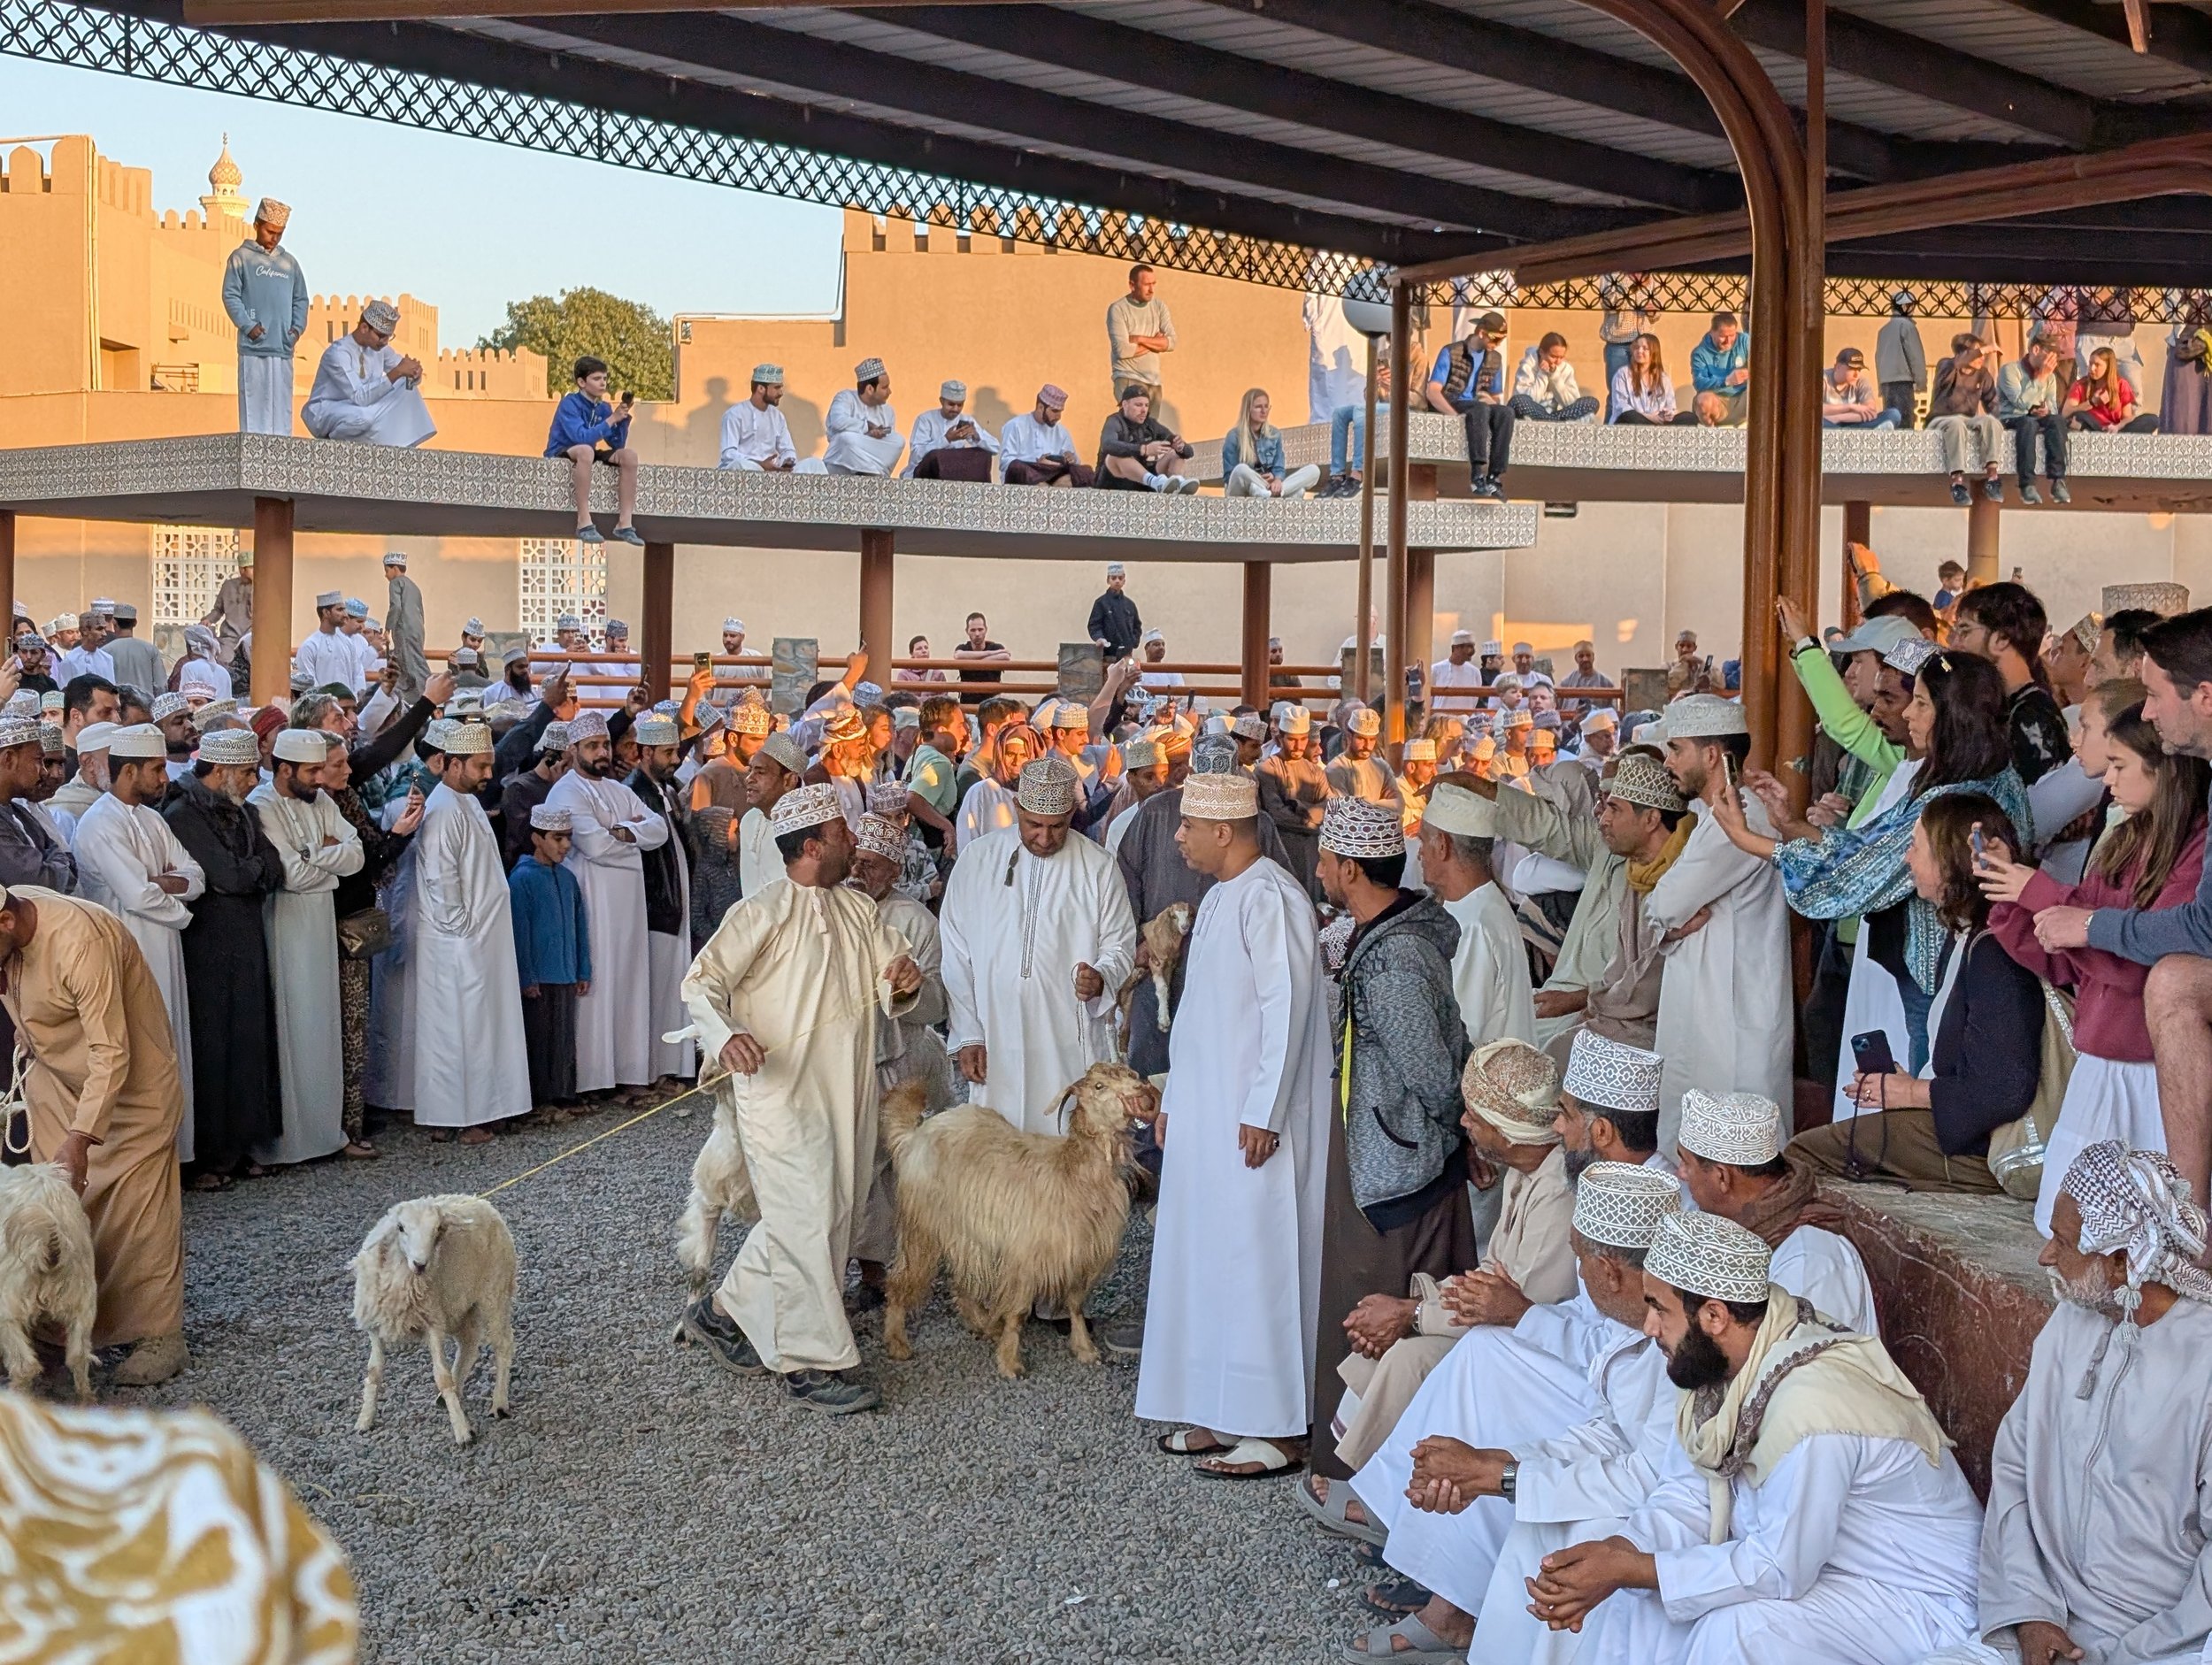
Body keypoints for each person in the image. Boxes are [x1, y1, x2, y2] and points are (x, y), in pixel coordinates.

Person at [1526, 1210, 1981, 1664]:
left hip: (1919, 1598)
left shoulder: (1812, 1405)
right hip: (1835, 1573)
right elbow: (1689, 1497)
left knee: (1738, 1632)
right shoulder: (1724, 1371)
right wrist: (1617, 1555)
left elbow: (1782, 1567)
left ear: (1715, 1315)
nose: (1648, 1327)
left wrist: (1637, 1568)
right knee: (1640, 1602)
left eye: (1658, 1309)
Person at [1337, 1154, 1685, 1663]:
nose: (1579, 1278)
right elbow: (1611, 1430)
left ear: (1609, 1272)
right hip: (1653, 1486)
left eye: (1581, 1263)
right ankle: (1452, 1591)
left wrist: (1502, 1476)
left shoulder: (1678, 1345)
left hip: (1705, 1536)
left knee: (1557, 1531)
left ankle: (1462, 1609)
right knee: (1526, 1504)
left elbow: (1651, 1478)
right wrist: (1495, 1464)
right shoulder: (1645, 1318)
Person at [678, 784, 922, 1415]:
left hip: (849, 1092)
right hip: (779, 1096)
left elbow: (892, 967)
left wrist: (903, 977)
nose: (854, 841)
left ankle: (722, 1311)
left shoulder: (859, 909)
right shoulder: (760, 912)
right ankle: (811, 1361)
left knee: (830, 1211)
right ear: (813, 847)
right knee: (809, 1216)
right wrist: (726, 1034)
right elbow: (701, 983)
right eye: (843, 834)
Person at [1933, 1141, 2212, 1665]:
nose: (2045, 1256)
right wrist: (2032, 1614)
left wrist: (2130, 1655)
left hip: (2162, 1643)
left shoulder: (2205, 1363)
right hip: (2044, 1618)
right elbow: (2015, 1467)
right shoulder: (2069, 1321)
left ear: (2122, 1262)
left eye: (2063, 1242)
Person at [1137, 771, 1332, 1477]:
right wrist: (1175, 1099)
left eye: (1188, 826)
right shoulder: (1222, 896)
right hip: (1209, 1118)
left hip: (1255, 1127)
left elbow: (1290, 1008)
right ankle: (1225, 1410)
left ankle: (1279, 1429)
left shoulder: (1274, 898)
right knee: (1210, 1263)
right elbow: (1199, 1018)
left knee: (1259, 1264)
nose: (1179, 837)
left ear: (1224, 831)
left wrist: (1264, 1111)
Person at [1981, 702, 2206, 1227]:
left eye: (2121, 765)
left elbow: (2143, 969)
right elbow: (2065, 964)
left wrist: (2043, 895)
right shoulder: (2125, 840)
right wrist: (2010, 894)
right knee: (2071, 1237)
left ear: (2164, 767)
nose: (2108, 777)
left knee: (2146, 1243)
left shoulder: (2195, 854)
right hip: (2097, 1071)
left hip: (2156, 1080)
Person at [1308, 794, 1474, 1484]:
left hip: (1400, 1167)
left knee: (1378, 1308)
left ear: (1349, 868)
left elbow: (1434, 1074)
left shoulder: (1394, 961)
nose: (1316, 869)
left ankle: (1372, 1479)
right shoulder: (1384, 940)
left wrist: (1453, 1141)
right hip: (1390, 1150)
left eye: (1323, 857)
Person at [1326, 1040, 1580, 1479]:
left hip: (1535, 1348)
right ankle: (1366, 1475)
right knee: (1390, 1334)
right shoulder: (1530, 1171)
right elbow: (1491, 1276)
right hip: (1499, 1327)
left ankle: (1371, 1486)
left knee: (1411, 1355)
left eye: (1475, 1117)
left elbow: (1520, 1308)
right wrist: (1405, 1314)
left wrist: (1413, 1316)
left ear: (1506, 1131)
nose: (1464, 1123)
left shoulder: (1558, 1192)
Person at [1791, 794, 2039, 1196]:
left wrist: (1909, 1093)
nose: (1907, 859)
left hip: (1983, 1148)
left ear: (1949, 860)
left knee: (1803, 1155)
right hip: (1961, 1130)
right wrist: (1905, 1086)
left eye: (1916, 847)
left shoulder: (1994, 952)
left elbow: (2003, 1089)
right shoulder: (1966, 936)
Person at [0, 885, 190, 1384]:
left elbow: (112, 1051)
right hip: (57, 1086)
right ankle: (60, 1325)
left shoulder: (79, 939)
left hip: (132, 1091)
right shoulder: (12, 924)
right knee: (57, 1214)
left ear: (6, 922)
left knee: (139, 1218)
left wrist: (81, 1137)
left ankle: (159, 1336)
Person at [941, 756, 1136, 1136]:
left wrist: (1101, 977)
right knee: (998, 1150)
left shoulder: (1098, 866)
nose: (1044, 838)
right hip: (995, 1035)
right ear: (1018, 809)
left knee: (1066, 1149)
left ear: (1071, 816)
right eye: (1034, 825)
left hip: (1066, 1037)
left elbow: (1121, 945)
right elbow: (956, 951)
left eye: (1056, 826)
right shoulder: (978, 860)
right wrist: (968, 1033)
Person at [1644, 696, 1792, 1147]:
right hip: (1706, 1004)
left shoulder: (1743, 818)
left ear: (1710, 755)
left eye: (1676, 749)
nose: (1668, 762)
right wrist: (1666, 921)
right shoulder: (1712, 818)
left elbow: (1667, 901)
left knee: (1737, 1151)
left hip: (1735, 1009)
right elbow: (1663, 911)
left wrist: (1666, 919)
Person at [69, 724, 204, 1162]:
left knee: (171, 1047)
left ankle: (177, 1157)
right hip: (127, 951)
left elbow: (196, 876)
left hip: (165, 946)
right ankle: (145, 1164)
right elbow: (136, 895)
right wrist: (180, 909)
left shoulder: (153, 819)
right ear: (128, 771)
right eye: (157, 769)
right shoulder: (99, 824)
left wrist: (165, 884)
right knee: (143, 1055)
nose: (165, 779)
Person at [161, 727, 284, 1186]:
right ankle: (212, 1153)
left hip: (246, 940)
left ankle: (242, 1144)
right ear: (221, 771)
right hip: (208, 945)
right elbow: (229, 877)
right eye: (248, 772)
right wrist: (250, 872)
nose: (255, 780)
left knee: (250, 1040)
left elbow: (274, 868)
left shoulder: (245, 812)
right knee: (215, 1045)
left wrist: (248, 873)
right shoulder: (182, 815)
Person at [410, 721, 532, 1143]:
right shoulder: (443, 809)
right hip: (460, 943)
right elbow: (442, 883)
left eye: (489, 766)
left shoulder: (465, 802)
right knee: (460, 1031)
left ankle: (477, 1112)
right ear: (452, 763)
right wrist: (465, 933)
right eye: (480, 767)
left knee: (477, 1028)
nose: (487, 775)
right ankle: (464, 1118)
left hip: (480, 939)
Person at [250, 729, 361, 1167]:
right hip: (284, 926)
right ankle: (289, 1143)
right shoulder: (262, 806)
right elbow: (290, 875)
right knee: (290, 1025)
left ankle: (324, 1135)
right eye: (311, 770)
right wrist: (326, 859)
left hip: (319, 925)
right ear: (284, 768)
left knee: (321, 1024)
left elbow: (356, 857)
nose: (320, 778)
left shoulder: (324, 802)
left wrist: (314, 857)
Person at [544, 710, 668, 1099]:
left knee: (630, 980)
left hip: (629, 904)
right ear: (574, 749)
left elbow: (659, 830)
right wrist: (634, 841)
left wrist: (624, 833)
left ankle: (629, 1073)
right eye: (592, 746)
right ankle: (594, 1079)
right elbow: (594, 845)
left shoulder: (620, 789)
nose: (601, 752)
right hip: (593, 902)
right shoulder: (566, 792)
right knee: (598, 983)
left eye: (605, 745)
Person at [1421, 780, 1536, 1047]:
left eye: (1423, 842)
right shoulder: (1477, 905)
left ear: (1442, 846)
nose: (1420, 854)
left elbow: (1461, 1032)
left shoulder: (1475, 923)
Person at [626, 713, 696, 1086]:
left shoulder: (665, 790)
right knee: (658, 994)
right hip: (657, 907)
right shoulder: (634, 792)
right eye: (668, 753)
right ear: (645, 751)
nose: (675, 759)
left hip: (674, 907)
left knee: (674, 991)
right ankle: (654, 1072)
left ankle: (671, 1069)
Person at [1951, 582, 2070, 785]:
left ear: (2002, 639)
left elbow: (2037, 806)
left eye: (1965, 632)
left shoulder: (2031, 716)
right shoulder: (2002, 705)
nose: (1955, 644)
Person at [300, 298, 435, 449]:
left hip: (361, 407)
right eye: (381, 336)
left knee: (406, 386)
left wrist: (414, 373)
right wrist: (397, 372)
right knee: (364, 418)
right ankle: (332, 444)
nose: (385, 342)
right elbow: (360, 397)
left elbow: (402, 368)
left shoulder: (380, 349)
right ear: (364, 328)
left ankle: (401, 445)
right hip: (327, 410)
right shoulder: (338, 353)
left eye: (389, 337)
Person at [221, 197, 305, 436]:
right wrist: (248, 326)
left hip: (282, 348)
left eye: (280, 233)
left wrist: (296, 330)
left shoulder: (289, 264)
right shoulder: (241, 258)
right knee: (255, 411)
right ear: (257, 225)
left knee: (281, 412)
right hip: (254, 348)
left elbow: (300, 299)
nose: (275, 238)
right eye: (270, 231)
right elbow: (230, 295)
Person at [544, 355, 643, 546]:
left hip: (587, 450)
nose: (603, 383)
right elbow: (580, 437)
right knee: (585, 451)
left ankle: (625, 524)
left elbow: (617, 444)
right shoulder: (569, 403)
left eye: (605, 379)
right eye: (597, 379)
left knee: (629, 456)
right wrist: (611, 420)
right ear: (581, 382)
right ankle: (584, 522)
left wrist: (622, 419)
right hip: (563, 451)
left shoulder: (604, 407)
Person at [1424, 310, 1514, 498]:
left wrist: (1487, 399)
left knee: (1506, 413)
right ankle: (1477, 472)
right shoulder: (1452, 352)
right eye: (1495, 340)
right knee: (1479, 410)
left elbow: (1495, 397)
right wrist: (1454, 416)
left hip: (1477, 404)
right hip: (1452, 401)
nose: (1497, 345)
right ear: (1481, 333)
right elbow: (1433, 391)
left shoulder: (1495, 359)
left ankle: (1495, 475)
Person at [1930, 333, 2007, 504]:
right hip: (1941, 419)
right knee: (1956, 424)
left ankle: (1993, 478)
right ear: (1962, 353)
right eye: (1976, 353)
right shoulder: (1947, 366)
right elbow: (1958, 362)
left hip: (1968, 419)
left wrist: (2006, 422)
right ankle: (1957, 483)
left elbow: (1993, 404)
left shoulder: (1983, 374)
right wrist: (1986, 349)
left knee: (1990, 422)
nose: (1981, 357)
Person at [1997, 334, 2071, 503]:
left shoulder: (2051, 377)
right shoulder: (2010, 370)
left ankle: (2058, 480)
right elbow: (2020, 403)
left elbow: (2052, 404)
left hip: (2037, 417)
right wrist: (2041, 378)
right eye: (2051, 354)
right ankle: (2027, 484)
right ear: (2036, 350)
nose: (2054, 361)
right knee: (2028, 423)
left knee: (2057, 421)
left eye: (2056, 356)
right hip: (2013, 417)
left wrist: (2046, 410)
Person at [1096, 385, 1197, 494]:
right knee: (1114, 456)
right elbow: (1107, 444)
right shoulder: (1114, 421)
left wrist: (1181, 447)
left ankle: (1178, 485)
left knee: (1175, 454)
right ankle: (1156, 483)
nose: (1144, 410)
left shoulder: (1151, 424)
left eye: (1146, 405)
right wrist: (1143, 449)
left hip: (1141, 481)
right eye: (1139, 405)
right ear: (1125, 405)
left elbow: (1189, 452)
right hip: (1113, 481)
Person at [1222, 387, 1322, 498]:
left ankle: (1275, 493)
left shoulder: (1275, 434)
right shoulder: (1234, 436)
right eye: (1258, 407)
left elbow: (1279, 467)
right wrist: (1256, 478)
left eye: (1266, 406)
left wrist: (1277, 479)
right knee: (1241, 469)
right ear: (1248, 409)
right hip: (1241, 490)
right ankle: (1264, 492)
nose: (1264, 411)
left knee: (1314, 470)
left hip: (1267, 487)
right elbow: (1230, 476)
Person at [1106, 261, 1175, 405]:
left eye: (1153, 284)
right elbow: (1122, 351)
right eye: (1146, 285)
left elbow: (1171, 342)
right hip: (1128, 378)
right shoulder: (1118, 309)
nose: (1151, 290)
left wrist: (1139, 339)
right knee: (1134, 427)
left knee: (1150, 428)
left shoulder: (1159, 307)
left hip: (1153, 382)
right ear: (1132, 285)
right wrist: (1156, 342)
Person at [902, 378, 998, 481]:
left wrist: (977, 437)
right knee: (936, 457)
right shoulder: (925, 419)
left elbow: (995, 448)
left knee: (983, 455)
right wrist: (946, 439)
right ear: (942, 401)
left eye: (960, 405)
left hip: (955, 474)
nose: (956, 409)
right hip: (925, 476)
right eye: (951, 404)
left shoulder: (967, 420)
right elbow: (916, 455)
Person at [1320, 357, 1390, 497]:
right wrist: (1374, 384)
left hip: (1404, 407)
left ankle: (1357, 472)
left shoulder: (1414, 358)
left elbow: (1415, 397)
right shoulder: (1385, 356)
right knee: (1339, 413)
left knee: (1360, 409)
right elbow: (1369, 399)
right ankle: (1337, 475)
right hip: (1382, 406)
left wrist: (1393, 385)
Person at [821, 357, 905, 475]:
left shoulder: (888, 411)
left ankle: (870, 472)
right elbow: (838, 422)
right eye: (884, 387)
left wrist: (872, 437)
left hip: (873, 460)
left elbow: (886, 450)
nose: (889, 392)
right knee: (846, 439)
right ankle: (872, 473)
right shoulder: (845, 398)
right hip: (841, 465)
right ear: (870, 389)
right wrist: (867, 427)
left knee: (898, 440)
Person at [998, 384, 1094, 487]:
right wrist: (1038, 463)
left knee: (1086, 471)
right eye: (1054, 411)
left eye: (1060, 412)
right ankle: (1046, 487)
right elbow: (1006, 463)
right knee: (1017, 467)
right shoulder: (1015, 425)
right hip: (1028, 474)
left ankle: (1050, 488)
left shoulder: (1062, 432)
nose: (1058, 417)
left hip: (1053, 475)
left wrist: (1071, 458)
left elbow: (1075, 463)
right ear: (1040, 407)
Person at [718, 364, 802, 472]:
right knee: (740, 464)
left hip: (772, 471)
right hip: (742, 471)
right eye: (777, 388)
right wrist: (759, 464)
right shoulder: (735, 414)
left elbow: (788, 450)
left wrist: (787, 462)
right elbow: (728, 454)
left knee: (814, 464)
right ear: (761, 388)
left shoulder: (778, 417)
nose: (781, 393)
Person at [2063, 344, 2157, 434]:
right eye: (2090, 363)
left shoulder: (2121, 384)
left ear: (2108, 368)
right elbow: (2065, 413)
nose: (2092, 368)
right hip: (2092, 426)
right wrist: (2092, 403)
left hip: (2116, 429)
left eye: (2097, 365)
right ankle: (2093, 431)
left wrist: (2117, 427)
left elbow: (2127, 417)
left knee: (2153, 419)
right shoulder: (2080, 385)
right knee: (2080, 415)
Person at [1510, 333, 1601, 423]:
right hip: (1534, 413)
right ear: (1542, 352)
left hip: (1558, 415)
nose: (1558, 361)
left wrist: (1555, 376)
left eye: (1561, 357)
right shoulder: (1528, 366)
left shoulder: (1566, 369)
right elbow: (1528, 399)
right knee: (1518, 401)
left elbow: (1570, 403)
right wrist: (1542, 374)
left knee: (1592, 402)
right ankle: (1549, 420)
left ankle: (1552, 420)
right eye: (1553, 356)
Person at [1609, 333, 1690, 426]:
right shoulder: (1623, 374)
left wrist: (1667, 414)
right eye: (1637, 348)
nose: (1639, 351)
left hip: (1657, 422)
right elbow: (1622, 407)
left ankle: (1654, 428)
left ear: (1654, 352)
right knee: (1629, 415)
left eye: (1645, 348)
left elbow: (1671, 406)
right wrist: (1650, 417)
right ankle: (1651, 427)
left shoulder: (1664, 378)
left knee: (1690, 417)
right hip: (1633, 421)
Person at [1874, 288, 1927, 428]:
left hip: (1886, 384)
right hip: (1903, 382)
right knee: (1905, 424)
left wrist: (1881, 385)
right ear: (1904, 306)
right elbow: (1915, 357)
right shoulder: (1907, 326)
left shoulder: (1883, 330)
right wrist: (1921, 382)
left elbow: (1878, 359)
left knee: (1891, 422)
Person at [1327, 707, 1399, 806]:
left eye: (1372, 739)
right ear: (1349, 736)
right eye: (1361, 739)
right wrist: (1383, 804)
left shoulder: (1382, 767)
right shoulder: (1335, 768)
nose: (1367, 746)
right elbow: (1346, 810)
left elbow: (1397, 804)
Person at [1689, 311, 1750, 426]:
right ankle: (1711, 435)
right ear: (1712, 332)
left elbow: (1762, 365)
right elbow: (1699, 383)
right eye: (1723, 336)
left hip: (1743, 399)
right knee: (1703, 401)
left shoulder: (1745, 341)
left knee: (1762, 392)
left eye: (1732, 335)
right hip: (1718, 402)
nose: (1728, 341)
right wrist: (1726, 381)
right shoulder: (1699, 353)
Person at [1818, 346, 1902, 427]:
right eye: (1852, 369)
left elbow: (1870, 412)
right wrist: (1851, 407)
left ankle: (1845, 434)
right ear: (1838, 367)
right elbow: (1814, 411)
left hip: (1851, 423)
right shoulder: (1822, 379)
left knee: (1894, 414)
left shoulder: (1861, 382)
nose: (1856, 375)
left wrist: (1838, 418)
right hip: (1827, 424)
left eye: (1859, 370)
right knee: (1819, 423)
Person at [102, 605, 164, 701]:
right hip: (145, 707)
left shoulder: (106, 651)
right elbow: (160, 685)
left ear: (114, 623)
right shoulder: (150, 650)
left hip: (117, 707)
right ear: (135, 623)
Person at [1087, 561, 1143, 661]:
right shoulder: (1101, 603)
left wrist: (1133, 641)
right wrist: (1099, 638)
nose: (1117, 581)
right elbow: (1094, 625)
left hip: (1127, 654)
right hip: (1107, 654)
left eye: (1120, 578)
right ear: (1108, 580)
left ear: (1124, 580)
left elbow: (1137, 626)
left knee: (1127, 676)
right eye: (1113, 578)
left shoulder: (1130, 604)